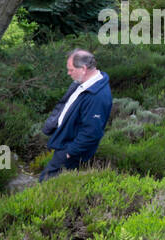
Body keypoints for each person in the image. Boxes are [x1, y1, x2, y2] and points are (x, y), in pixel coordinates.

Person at [39, 49, 112, 182]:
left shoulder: (98, 96)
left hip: (70, 149)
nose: (68, 73)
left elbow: (92, 132)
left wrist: (70, 152)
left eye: (71, 70)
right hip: (65, 143)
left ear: (83, 68)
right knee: (56, 183)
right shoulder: (83, 83)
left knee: (46, 181)